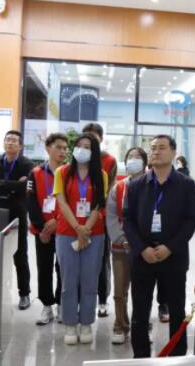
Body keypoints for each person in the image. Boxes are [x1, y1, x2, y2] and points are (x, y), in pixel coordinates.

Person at [124, 135, 195, 358]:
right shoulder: (136, 184)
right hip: (143, 257)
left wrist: (170, 247)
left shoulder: (186, 184)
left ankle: (177, 355)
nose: (155, 151)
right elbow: (127, 219)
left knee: (176, 309)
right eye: (153, 148)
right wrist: (141, 248)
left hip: (173, 256)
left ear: (174, 153)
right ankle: (141, 356)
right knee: (140, 310)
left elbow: (190, 221)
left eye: (162, 148)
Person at [53, 133, 108, 345]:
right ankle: (69, 323)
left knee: (89, 280)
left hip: (94, 232)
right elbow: (62, 202)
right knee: (68, 281)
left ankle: (86, 323)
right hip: (67, 232)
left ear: (94, 152)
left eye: (88, 146)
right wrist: (77, 227)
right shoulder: (62, 172)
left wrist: (86, 228)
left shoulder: (101, 175)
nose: (82, 150)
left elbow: (99, 204)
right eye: (79, 145)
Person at [0, 130, 34, 310]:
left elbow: (25, 186)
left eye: (14, 140)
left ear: (20, 146)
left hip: (17, 212)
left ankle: (24, 294)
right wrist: (13, 185)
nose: (10, 143)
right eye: (7, 140)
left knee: (20, 253)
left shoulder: (27, 164)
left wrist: (1, 183)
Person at [106, 147, 148, 344]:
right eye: (130, 157)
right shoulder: (119, 187)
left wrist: (141, 242)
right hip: (121, 246)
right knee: (119, 290)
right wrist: (121, 238)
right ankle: (120, 325)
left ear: (145, 163)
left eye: (138, 157)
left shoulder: (152, 186)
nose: (133, 160)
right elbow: (111, 215)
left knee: (143, 290)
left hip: (144, 248)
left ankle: (142, 326)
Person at [26, 133, 67, 325]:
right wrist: (43, 227)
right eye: (58, 147)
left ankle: (61, 304)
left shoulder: (69, 173)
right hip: (42, 231)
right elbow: (31, 201)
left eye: (65, 148)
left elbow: (71, 201)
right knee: (44, 268)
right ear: (48, 148)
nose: (62, 151)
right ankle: (46, 306)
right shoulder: (35, 173)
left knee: (63, 268)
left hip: (64, 230)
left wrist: (58, 221)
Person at [82, 122, 116, 318]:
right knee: (79, 261)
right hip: (77, 219)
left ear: (101, 139)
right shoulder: (77, 159)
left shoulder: (109, 160)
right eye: (86, 135)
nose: (90, 139)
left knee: (102, 261)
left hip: (101, 218)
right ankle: (81, 300)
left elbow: (109, 190)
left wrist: (97, 213)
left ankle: (103, 300)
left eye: (94, 136)